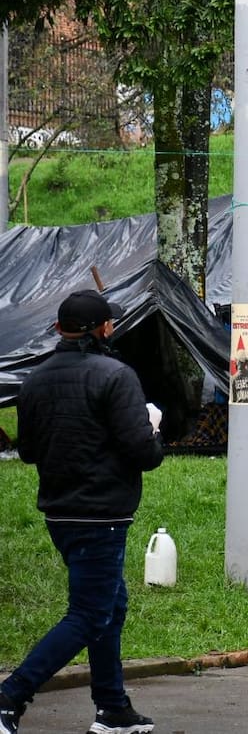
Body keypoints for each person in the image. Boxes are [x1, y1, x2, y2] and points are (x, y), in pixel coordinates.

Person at [0, 290, 163, 734]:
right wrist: (153, 428)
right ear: (105, 328)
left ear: (59, 329)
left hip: (60, 512)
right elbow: (142, 452)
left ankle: (112, 707)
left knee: (112, 603)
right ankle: (10, 696)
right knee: (90, 614)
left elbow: (29, 451)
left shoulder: (34, 380)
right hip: (103, 512)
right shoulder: (117, 375)